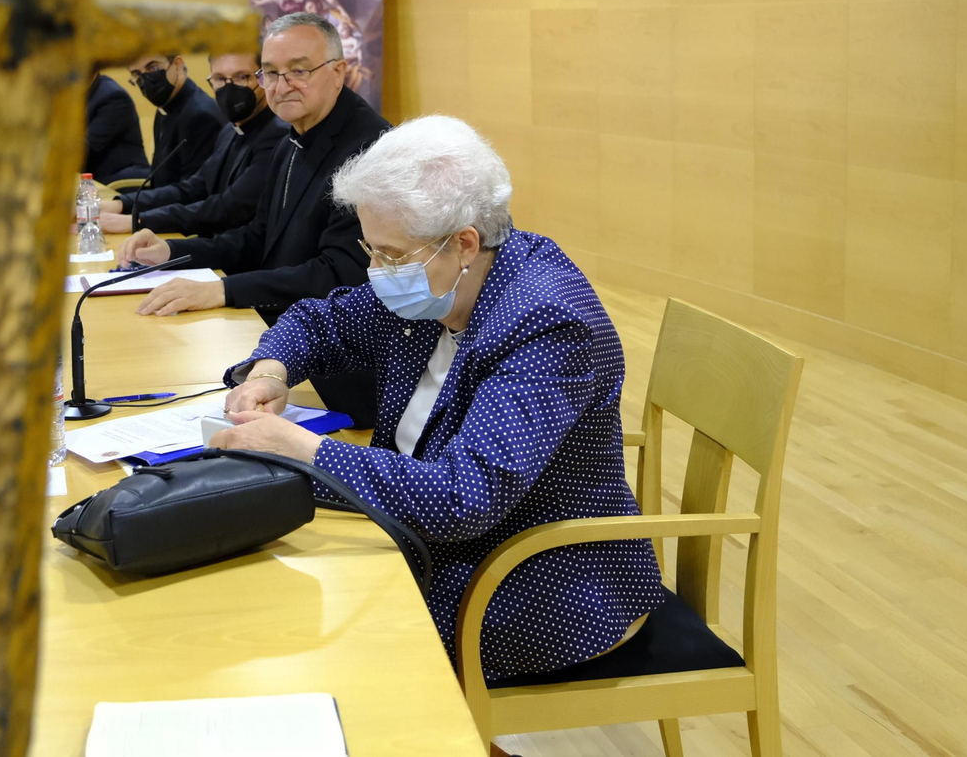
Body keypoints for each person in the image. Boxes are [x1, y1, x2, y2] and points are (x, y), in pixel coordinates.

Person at [206, 115, 664, 685]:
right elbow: (320, 321)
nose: (376, 272)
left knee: (316, 643)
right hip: (430, 535)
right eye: (370, 250)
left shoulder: (547, 322)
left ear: (465, 243)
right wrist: (271, 371)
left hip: (532, 576)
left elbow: (464, 499)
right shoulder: (436, 279)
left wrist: (303, 449)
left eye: (390, 255)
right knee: (254, 593)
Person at [121, 12, 389, 426]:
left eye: (299, 71)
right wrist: (172, 250)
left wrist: (222, 290)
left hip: (340, 376)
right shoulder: (293, 136)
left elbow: (339, 275)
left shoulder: (369, 150)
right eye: (271, 73)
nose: (282, 86)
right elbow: (258, 236)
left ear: (338, 72)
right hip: (284, 344)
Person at [96, 49, 287, 236]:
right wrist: (122, 204)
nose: (229, 88)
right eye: (220, 79)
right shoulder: (231, 129)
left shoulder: (276, 135)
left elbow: (228, 208)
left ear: (266, 78)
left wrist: (139, 221)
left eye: (241, 77)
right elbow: (193, 188)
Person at [126, 50, 226, 189]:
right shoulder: (165, 108)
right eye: (137, 74)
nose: (146, 78)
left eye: (152, 67)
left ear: (177, 64)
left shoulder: (200, 116)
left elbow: (193, 193)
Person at [84, 71, 149, 183]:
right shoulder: (72, 95)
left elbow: (84, 149)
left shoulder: (113, 98)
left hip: (121, 181)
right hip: (94, 181)